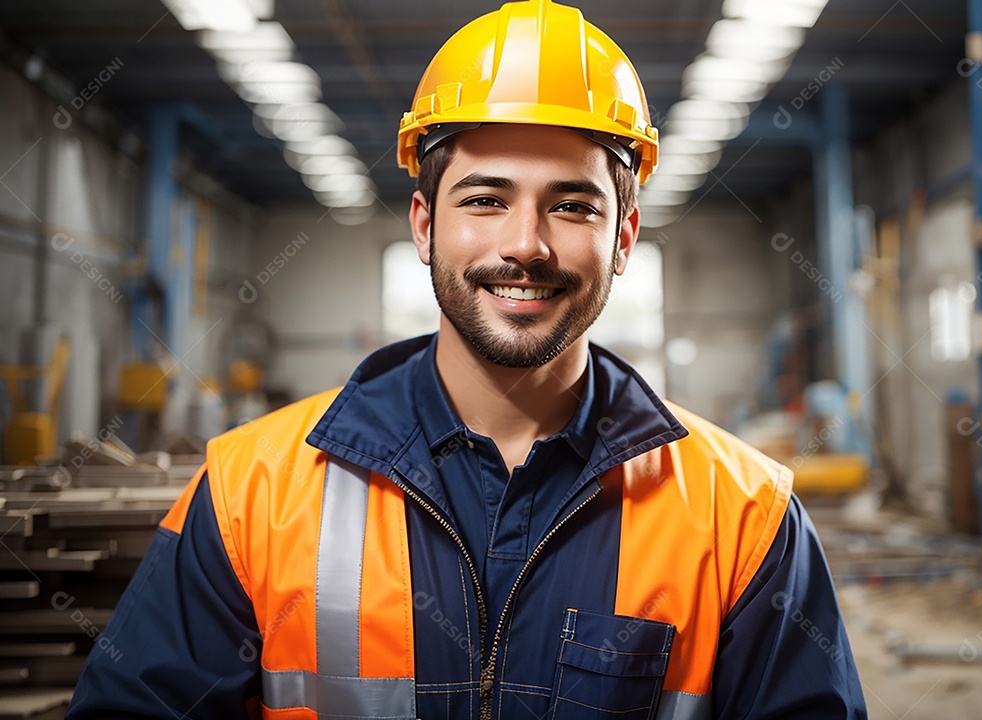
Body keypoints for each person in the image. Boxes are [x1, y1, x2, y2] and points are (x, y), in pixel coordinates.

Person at [67, 1, 867, 718]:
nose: (526, 243)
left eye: (573, 205)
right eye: (485, 200)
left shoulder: (747, 519)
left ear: (623, 238)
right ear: (423, 226)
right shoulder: (251, 494)